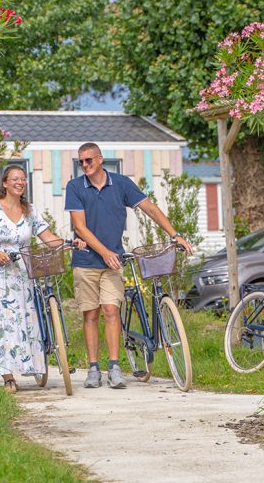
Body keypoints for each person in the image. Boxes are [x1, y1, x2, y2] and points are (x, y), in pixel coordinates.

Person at [65, 142, 192, 389]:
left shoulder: (121, 183)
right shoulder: (75, 186)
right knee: (91, 314)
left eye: (88, 160)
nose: (84, 165)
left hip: (114, 261)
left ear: (100, 159)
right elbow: (80, 227)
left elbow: (151, 210)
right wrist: (104, 252)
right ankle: (93, 369)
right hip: (86, 262)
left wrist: (175, 235)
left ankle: (114, 367)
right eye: (80, 162)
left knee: (112, 311)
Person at [0, 164, 82, 393]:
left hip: (22, 273)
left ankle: (29, 365)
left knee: (24, 321)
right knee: (1, 323)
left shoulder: (29, 210)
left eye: (23, 179)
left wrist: (68, 243)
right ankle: (8, 376)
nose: (20, 182)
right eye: (15, 179)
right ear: (5, 184)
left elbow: (47, 237)